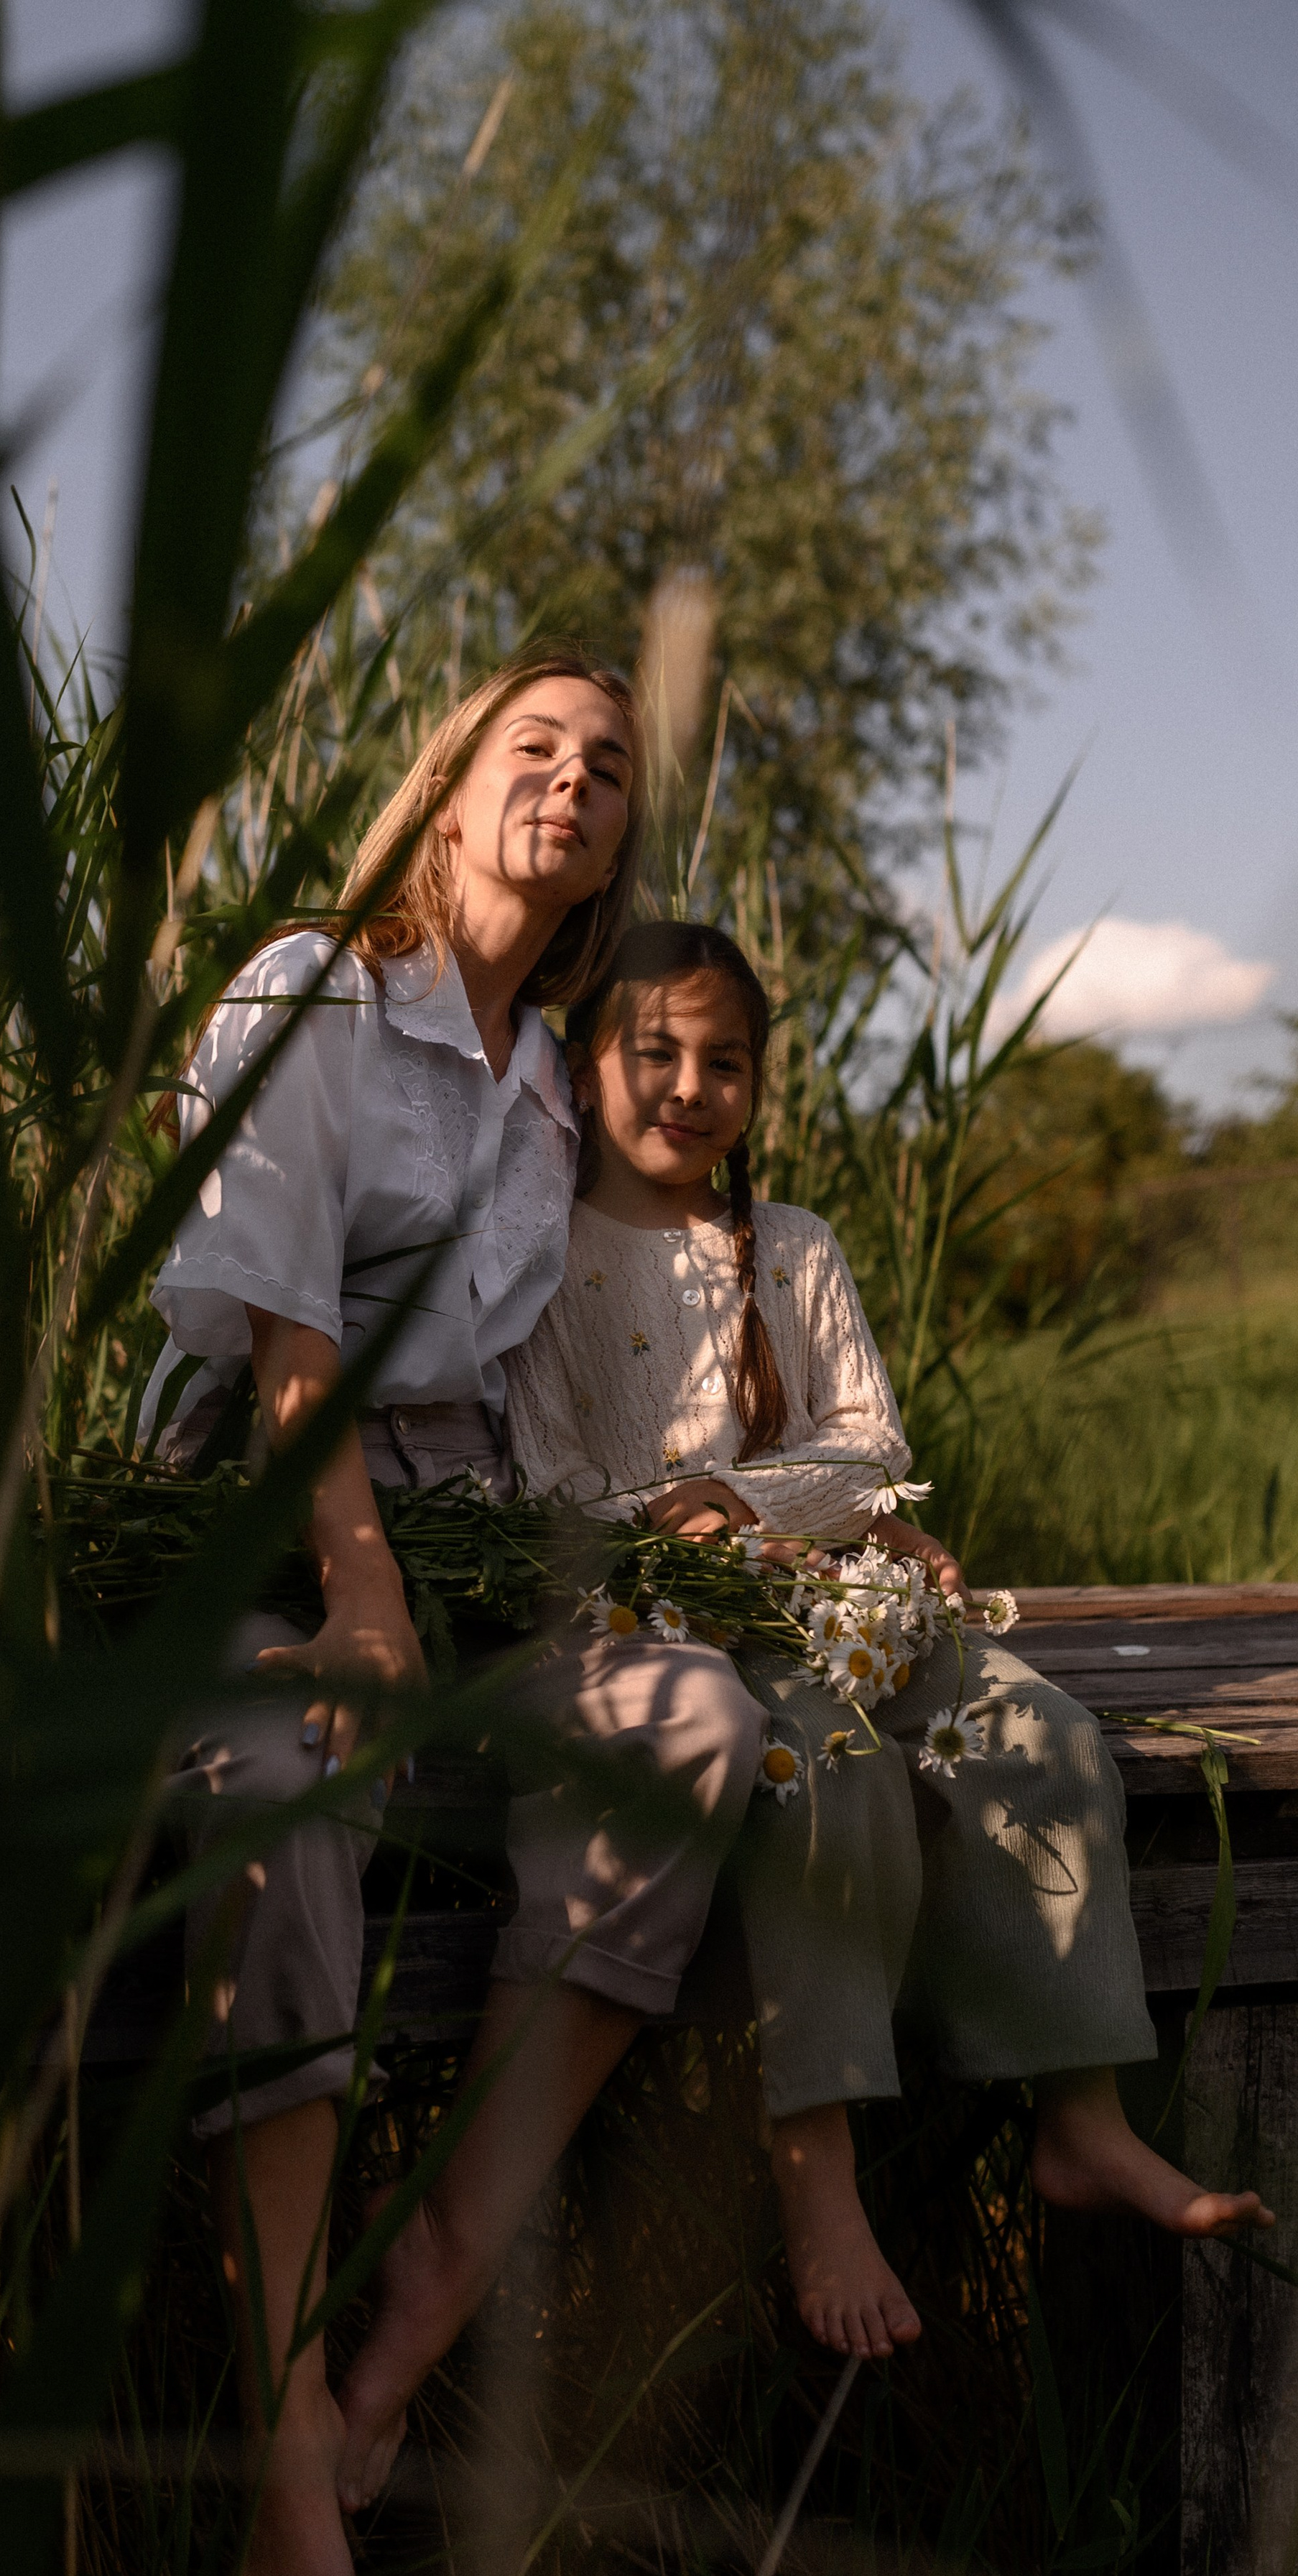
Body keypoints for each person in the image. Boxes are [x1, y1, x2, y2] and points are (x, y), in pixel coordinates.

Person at [332, 920, 1271, 2495]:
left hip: (848, 1594)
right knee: (821, 1771)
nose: (690, 1086)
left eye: (725, 1060)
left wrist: (744, 1495)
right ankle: (814, 2156)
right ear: (583, 1060)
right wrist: (712, 1518)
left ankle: (1079, 2103)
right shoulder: (542, 1261)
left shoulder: (795, 1246)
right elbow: (554, 1493)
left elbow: (870, 1443)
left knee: (1043, 1739)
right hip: (693, 1630)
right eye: (654, 1051)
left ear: (759, 1083)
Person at [145, 660, 771, 2576]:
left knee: (688, 1725)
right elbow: (281, 1331)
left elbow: (537, 1380)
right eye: (537, 747)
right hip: (261, 1507)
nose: (575, 782)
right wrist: (359, 1588)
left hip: (471, 1537)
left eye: (607, 768)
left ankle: (413, 2305)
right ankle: (284, 2421)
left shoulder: (541, 1083)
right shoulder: (315, 994)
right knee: (279, 1772)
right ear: (448, 792)